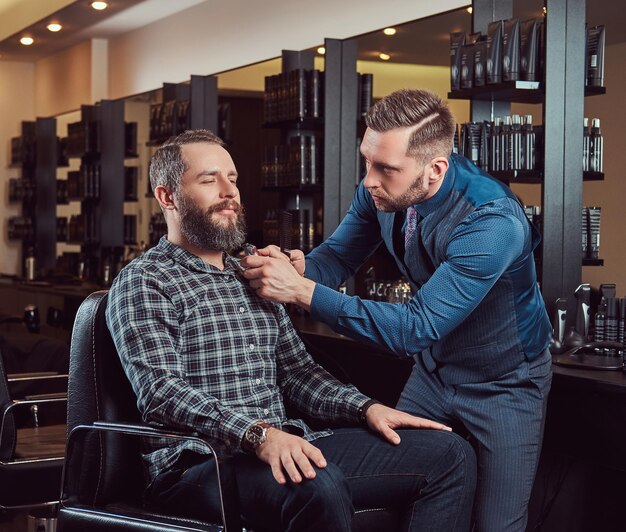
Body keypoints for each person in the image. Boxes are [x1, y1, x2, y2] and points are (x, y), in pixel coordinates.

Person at [105, 129, 476, 532]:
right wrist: (258, 436)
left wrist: (366, 408)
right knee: (316, 484)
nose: (230, 191)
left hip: (283, 443)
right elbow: (161, 392)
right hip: (199, 464)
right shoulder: (145, 280)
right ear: (167, 197)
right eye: (210, 180)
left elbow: (298, 373)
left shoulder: (254, 274)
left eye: (233, 179)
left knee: (449, 455)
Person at [241, 89, 553, 532]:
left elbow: (414, 327)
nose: (369, 179)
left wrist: (303, 292)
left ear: (435, 169)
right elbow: (338, 256)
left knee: (495, 525)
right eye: (367, 160)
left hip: (503, 382)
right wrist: (299, 267)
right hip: (433, 373)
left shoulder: (491, 221)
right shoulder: (381, 188)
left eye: (385, 168)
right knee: (408, 496)